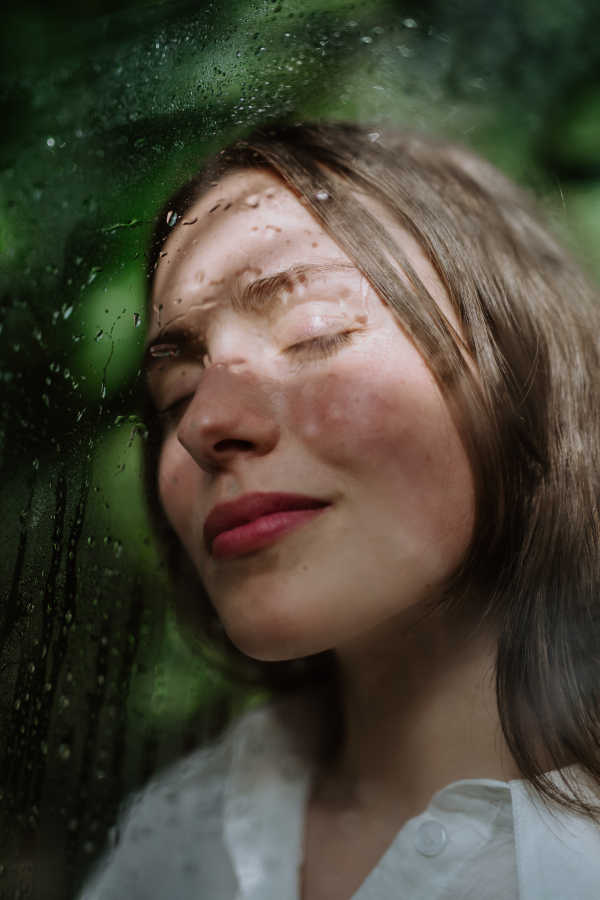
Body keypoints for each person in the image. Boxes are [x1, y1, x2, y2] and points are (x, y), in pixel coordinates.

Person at [81, 121, 600, 900]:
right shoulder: (176, 839)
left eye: (314, 331)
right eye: (176, 396)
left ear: (521, 364)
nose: (202, 424)